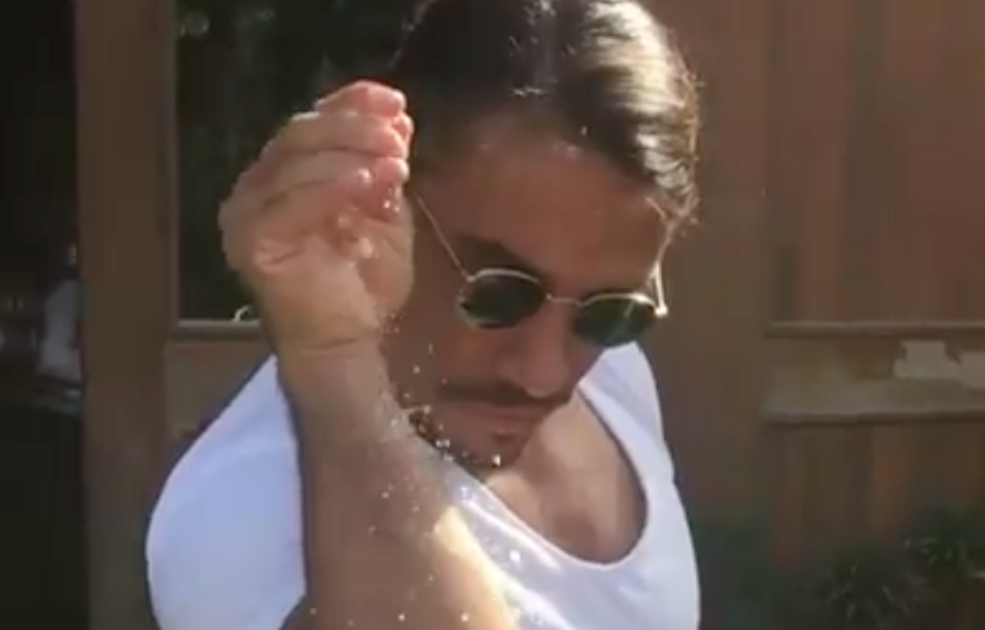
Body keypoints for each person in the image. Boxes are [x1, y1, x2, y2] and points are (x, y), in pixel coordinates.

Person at [145, 0, 701, 627]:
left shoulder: (614, 374)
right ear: (375, 201)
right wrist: (333, 365)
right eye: (499, 292)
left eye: (612, 313)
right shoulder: (241, 512)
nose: (546, 375)